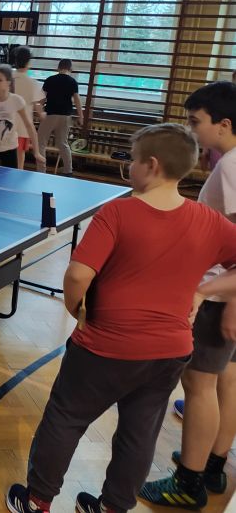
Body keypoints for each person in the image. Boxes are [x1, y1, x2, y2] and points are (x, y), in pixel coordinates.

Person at [6, 123, 236, 513]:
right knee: (139, 432)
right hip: (170, 351)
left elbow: (78, 275)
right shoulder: (209, 220)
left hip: (104, 346)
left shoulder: (118, 211)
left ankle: (36, 500)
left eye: (133, 159)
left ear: (152, 165)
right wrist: (203, 291)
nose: (129, 166)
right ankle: (113, 507)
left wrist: (76, 310)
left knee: (65, 418)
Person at [140, 82, 236, 510]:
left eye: (195, 122)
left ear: (224, 124)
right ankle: (212, 465)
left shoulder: (231, 167)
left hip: (219, 298)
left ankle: (188, 482)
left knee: (199, 386)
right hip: (224, 294)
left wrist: (221, 297)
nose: (190, 130)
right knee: (226, 380)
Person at [37, 59, 84, 176]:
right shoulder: (73, 82)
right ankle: (68, 170)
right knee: (63, 143)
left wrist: (39, 111)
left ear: (58, 68)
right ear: (70, 69)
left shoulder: (50, 80)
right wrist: (81, 116)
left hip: (50, 115)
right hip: (65, 116)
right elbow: (77, 100)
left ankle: (41, 170)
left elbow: (41, 99)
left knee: (41, 143)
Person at [10, 47, 45, 170]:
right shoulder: (33, 83)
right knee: (20, 156)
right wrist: (42, 114)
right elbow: (37, 105)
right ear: (29, 62)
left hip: (6, 124)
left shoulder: (6, 79)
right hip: (23, 126)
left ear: (15, 61)